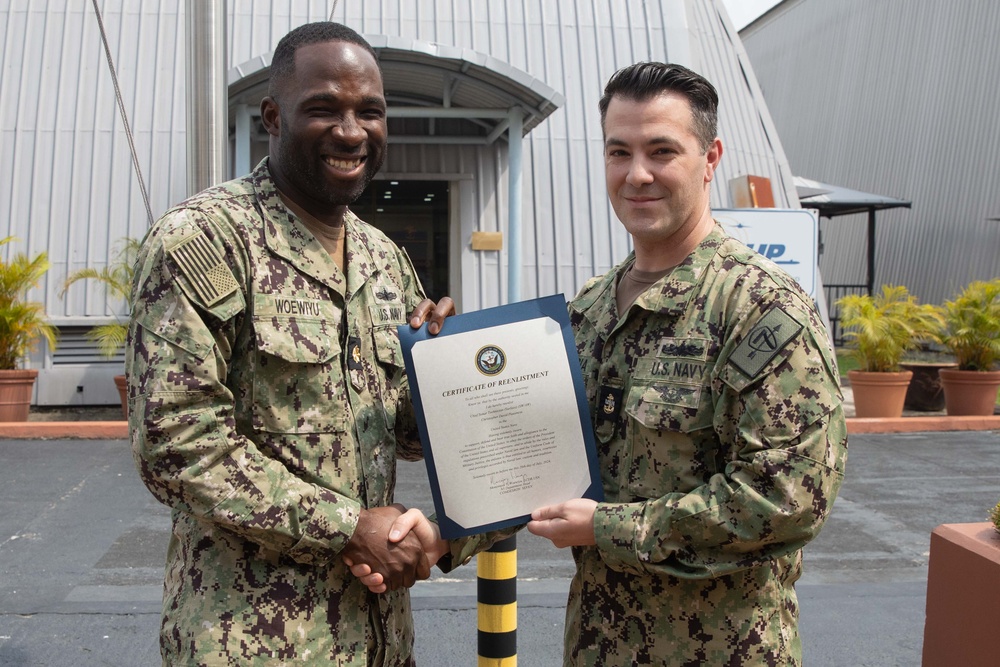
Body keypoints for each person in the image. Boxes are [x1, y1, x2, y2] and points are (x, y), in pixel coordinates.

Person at [127, 21, 457, 666]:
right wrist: (345, 527)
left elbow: (403, 432)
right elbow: (175, 441)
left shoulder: (383, 257)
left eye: (370, 112)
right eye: (324, 109)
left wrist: (446, 371)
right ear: (272, 117)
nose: (352, 131)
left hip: (380, 639)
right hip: (253, 641)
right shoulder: (202, 241)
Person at [522, 62, 849, 665]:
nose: (637, 174)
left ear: (710, 157)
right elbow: (535, 460)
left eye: (662, 150)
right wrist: (439, 532)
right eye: (619, 151)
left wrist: (607, 528)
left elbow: (786, 497)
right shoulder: (590, 310)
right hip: (598, 645)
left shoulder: (761, 311)